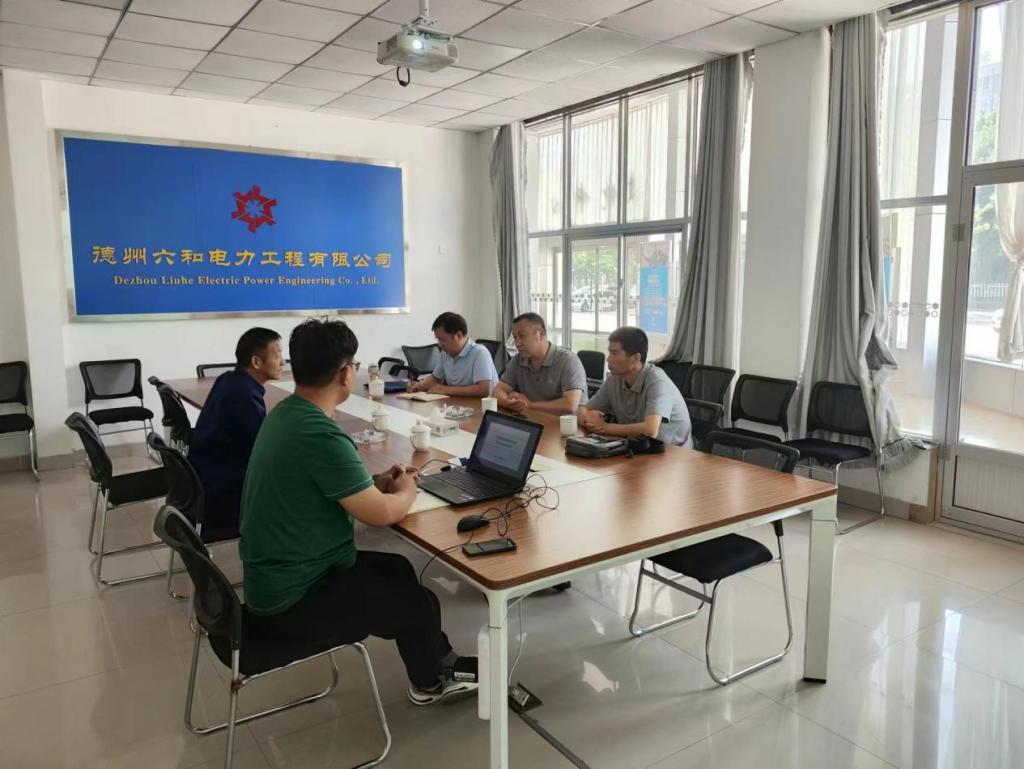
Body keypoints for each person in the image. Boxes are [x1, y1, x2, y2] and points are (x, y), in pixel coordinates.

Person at [240, 318, 477, 705]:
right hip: (293, 598)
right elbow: (381, 515)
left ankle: (436, 662)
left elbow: (326, 486)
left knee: (398, 569)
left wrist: (375, 483)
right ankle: (431, 682)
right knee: (420, 605)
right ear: (345, 374)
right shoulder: (319, 434)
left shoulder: (287, 414)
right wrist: (407, 489)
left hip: (279, 576)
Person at [188, 327, 284, 538]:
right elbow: (266, 449)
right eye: (277, 355)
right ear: (256, 362)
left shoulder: (230, 380)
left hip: (204, 479)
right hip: (223, 492)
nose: (283, 362)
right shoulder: (242, 396)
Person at [578, 326, 692, 447]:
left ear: (636, 358)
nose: (608, 359)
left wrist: (604, 427)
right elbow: (583, 409)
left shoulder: (657, 381)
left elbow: (650, 430)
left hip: (674, 451)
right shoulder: (614, 379)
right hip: (638, 446)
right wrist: (587, 419)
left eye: (614, 353)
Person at [495, 312, 588, 415]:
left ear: (541, 334)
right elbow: (497, 391)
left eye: (522, 336)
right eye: (515, 338)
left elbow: (570, 405)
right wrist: (508, 402)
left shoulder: (568, 360)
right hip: (533, 419)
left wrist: (530, 405)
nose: (517, 344)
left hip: (566, 423)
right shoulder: (518, 360)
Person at [407, 311, 498, 397]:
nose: (440, 345)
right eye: (438, 340)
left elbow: (484, 389)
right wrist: (419, 385)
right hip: (458, 404)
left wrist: (446, 390)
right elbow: (435, 378)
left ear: (458, 335)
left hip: (482, 405)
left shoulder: (480, 353)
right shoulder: (445, 353)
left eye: (443, 340)